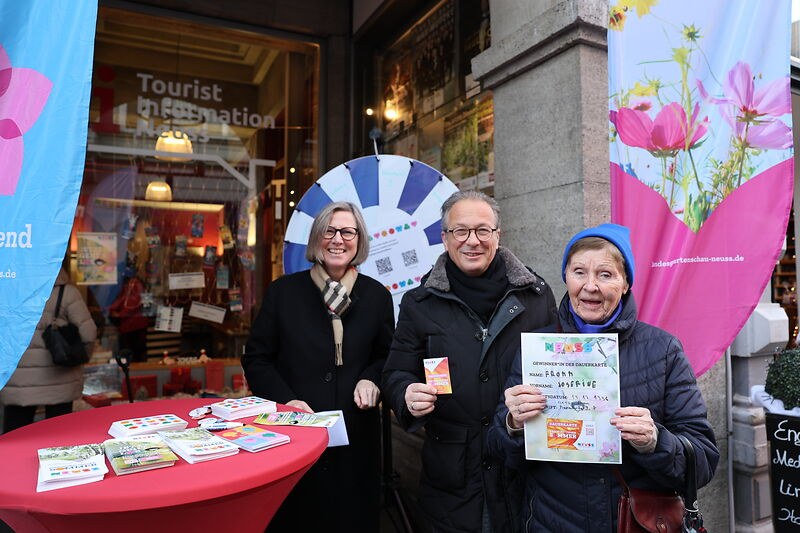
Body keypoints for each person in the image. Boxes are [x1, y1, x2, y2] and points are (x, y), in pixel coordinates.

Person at [488, 223, 720, 531]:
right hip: (551, 521)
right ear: (566, 277)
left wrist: (655, 441)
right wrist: (512, 424)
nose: (590, 286)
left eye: (606, 274)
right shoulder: (538, 349)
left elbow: (702, 461)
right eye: (579, 272)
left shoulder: (662, 349)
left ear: (625, 283)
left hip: (632, 521)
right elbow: (497, 450)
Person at [382, 190, 557, 533]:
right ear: (445, 238)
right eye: (460, 231)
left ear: (497, 235)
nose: (472, 241)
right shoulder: (420, 303)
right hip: (451, 475)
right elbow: (396, 371)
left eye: (482, 230)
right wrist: (405, 393)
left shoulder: (534, 295)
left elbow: (557, 365)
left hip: (521, 465)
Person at [242, 201, 394, 533]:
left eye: (348, 231)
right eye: (330, 230)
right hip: (295, 431)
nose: (338, 239)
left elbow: (387, 357)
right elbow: (257, 358)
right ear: (317, 238)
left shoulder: (376, 297)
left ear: (359, 240)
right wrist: (287, 401)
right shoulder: (284, 292)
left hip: (355, 437)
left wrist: (372, 379)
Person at [1, 267, 97, 433]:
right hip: (60, 381)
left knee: (15, 438)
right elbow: (89, 334)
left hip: (17, 381)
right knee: (58, 441)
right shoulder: (67, 293)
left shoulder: (8, 291)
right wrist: (79, 357)